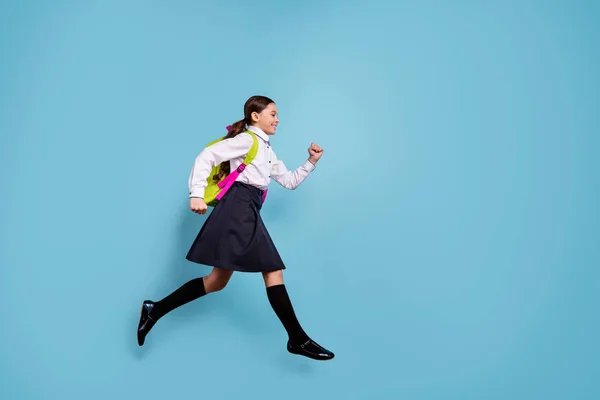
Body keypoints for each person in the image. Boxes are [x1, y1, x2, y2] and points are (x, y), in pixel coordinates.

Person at [136, 95, 334, 361]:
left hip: (247, 209)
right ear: (256, 116)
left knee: (217, 281)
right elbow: (207, 156)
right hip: (238, 207)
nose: (277, 119)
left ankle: (154, 309)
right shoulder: (246, 141)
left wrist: (311, 162)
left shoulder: (267, 150)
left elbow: (288, 181)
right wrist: (196, 193)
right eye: (273, 114)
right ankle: (297, 339)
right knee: (272, 269)